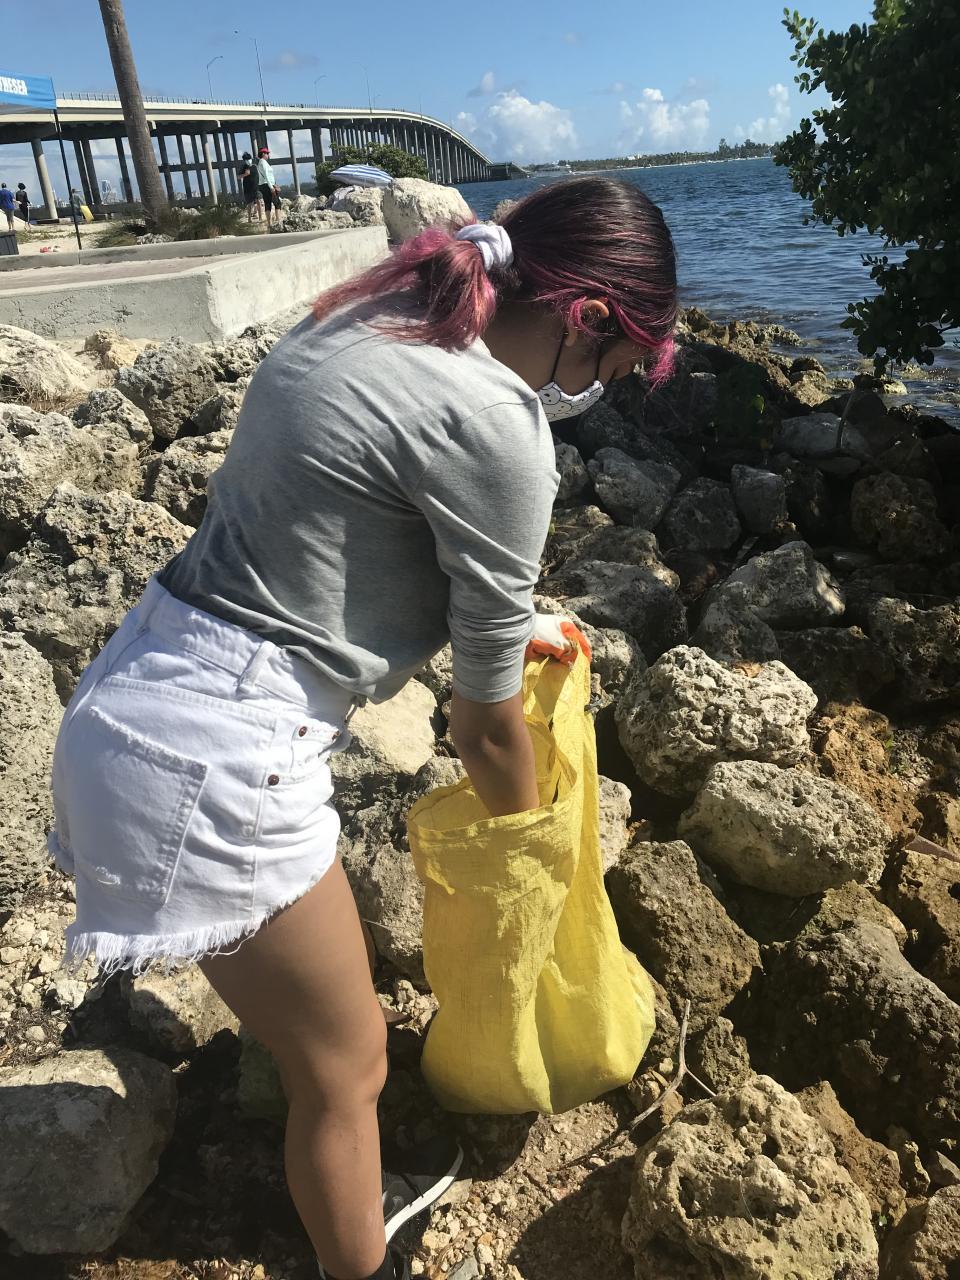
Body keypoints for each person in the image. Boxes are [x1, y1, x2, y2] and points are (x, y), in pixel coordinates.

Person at [47, 176, 677, 1280]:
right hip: (219, 760)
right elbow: (483, 733)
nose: (597, 392)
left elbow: (337, 529)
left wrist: (511, 621)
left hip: (131, 694)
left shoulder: (372, 313)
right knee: (350, 1069)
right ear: (586, 317)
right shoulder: (503, 426)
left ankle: (335, 1184)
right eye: (613, 368)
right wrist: (532, 856)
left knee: (317, 1049)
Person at [256, 144, 281, 229]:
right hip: (267, 185)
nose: (268, 155)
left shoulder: (260, 163)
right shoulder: (263, 162)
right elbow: (266, 175)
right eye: (267, 153)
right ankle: (278, 221)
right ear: (263, 154)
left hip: (263, 185)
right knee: (277, 203)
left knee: (267, 203)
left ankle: (270, 224)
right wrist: (271, 187)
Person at [238, 151, 262, 224]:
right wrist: (245, 174)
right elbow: (238, 177)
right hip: (248, 188)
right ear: (244, 161)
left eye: (249, 159)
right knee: (249, 204)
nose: (248, 161)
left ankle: (260, 218)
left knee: (258, 201)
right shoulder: (243, 167)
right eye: (246, 160)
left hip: (256, 187)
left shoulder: (254, 166)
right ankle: (249, 219)